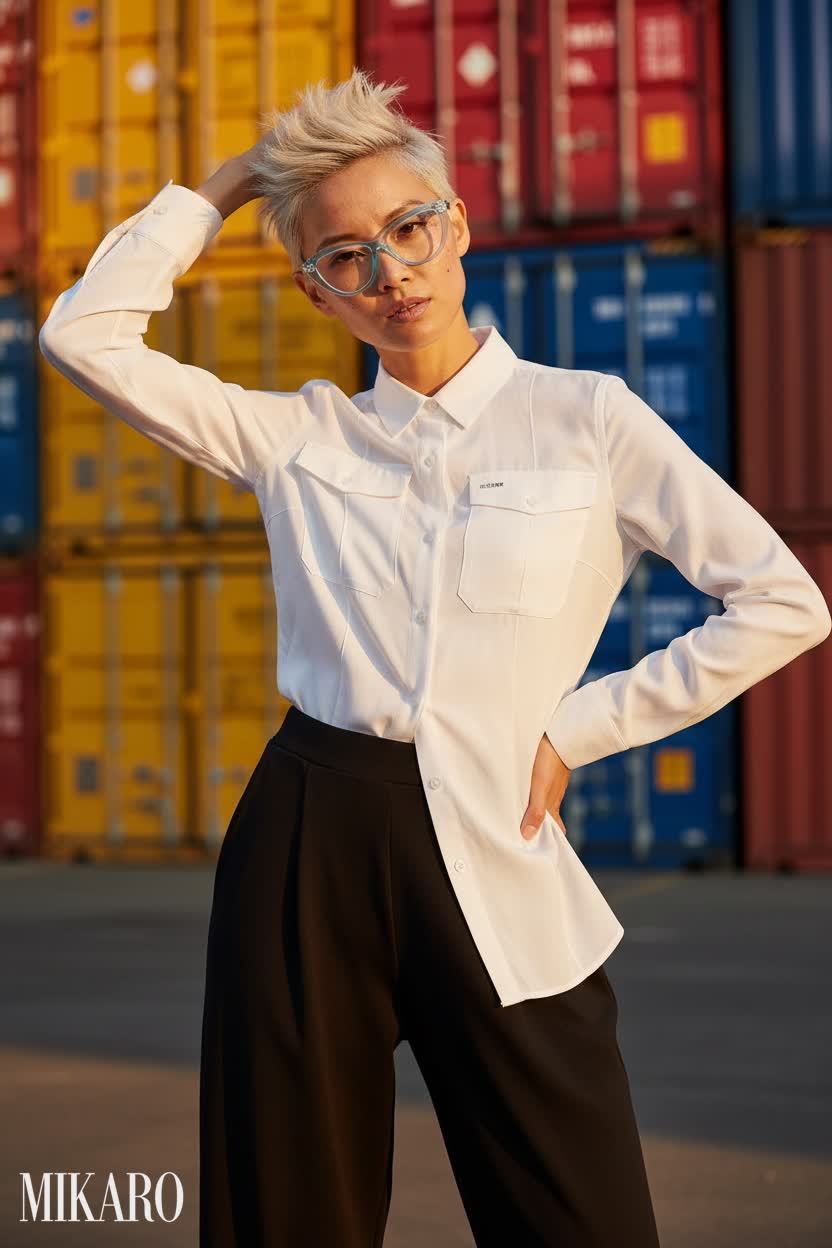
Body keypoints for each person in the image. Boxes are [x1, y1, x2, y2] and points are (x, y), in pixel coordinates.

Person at [39, 68, 830, 1248]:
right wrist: (227, 187)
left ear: (455, 226)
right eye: (344, 255)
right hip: (308, 836)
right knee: (288, 1212)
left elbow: (780, 600)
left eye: (408, 228)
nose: (389, 271)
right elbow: (81, 334)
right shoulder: (295, 436)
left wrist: (579, 729)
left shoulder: (588, 419)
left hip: (501, 831)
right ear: (317, 290)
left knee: (582, 1215)